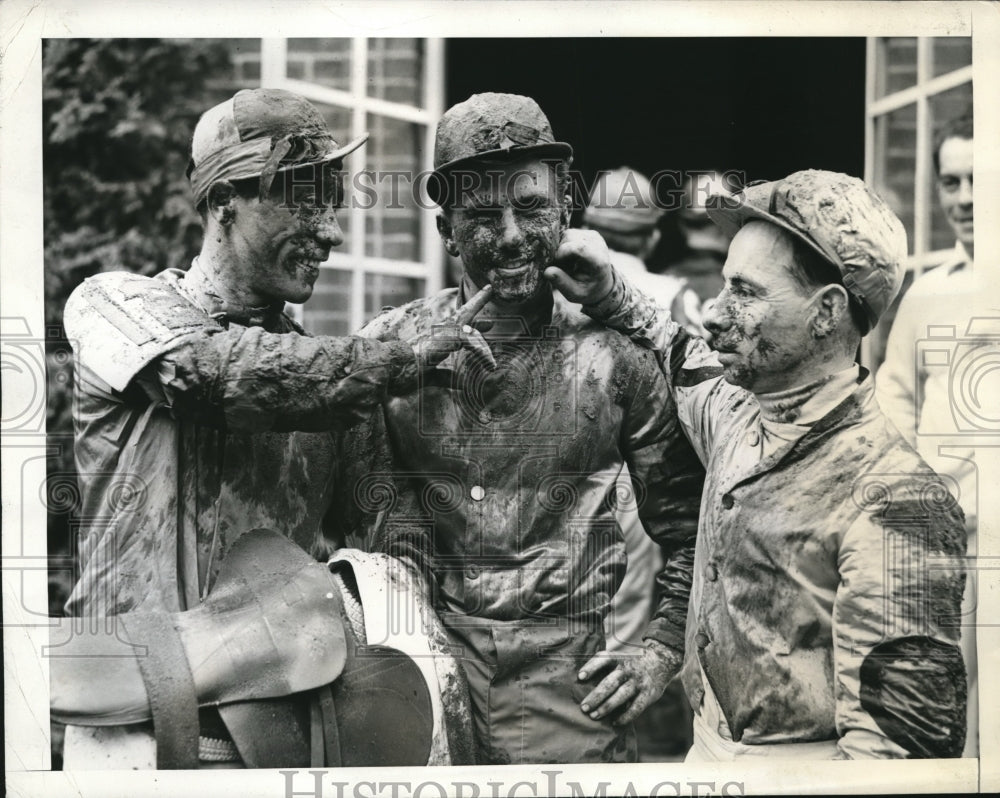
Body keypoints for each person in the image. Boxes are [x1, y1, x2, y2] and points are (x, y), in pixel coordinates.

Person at [60, 87, 492, 768]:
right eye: (303, 200)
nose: (330, 232)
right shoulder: (117, 308)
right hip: (127, 725)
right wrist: (396, 358)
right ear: (223, 201)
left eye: (332, 204)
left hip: (274, 738)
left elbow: (388, 541)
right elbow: (212, 374)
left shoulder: (337, 383)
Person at [331, 92, 705, 765]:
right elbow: (356, 531)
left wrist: (659, 649)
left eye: (531, 209)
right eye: (480, 216)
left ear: (565, 211)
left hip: (571, 694)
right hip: (424, 681)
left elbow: (692, 528)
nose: (509, 236)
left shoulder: (613, 356)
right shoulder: (393, 351)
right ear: (445, 229)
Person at [547, 169, 968, 759]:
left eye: (744, 292)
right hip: (705, 756)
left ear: (827, 312)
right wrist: (609, 289)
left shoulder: (900, 501)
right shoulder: (735, 409)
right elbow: (676, 349)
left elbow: (896, 757)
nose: (715, 313)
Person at [875, 112, 982, 756]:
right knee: (950, 712)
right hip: (950, 545)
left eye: (979, 179)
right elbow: (894, 404)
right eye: (951, 182)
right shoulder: (926, 296)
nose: (965, 199)